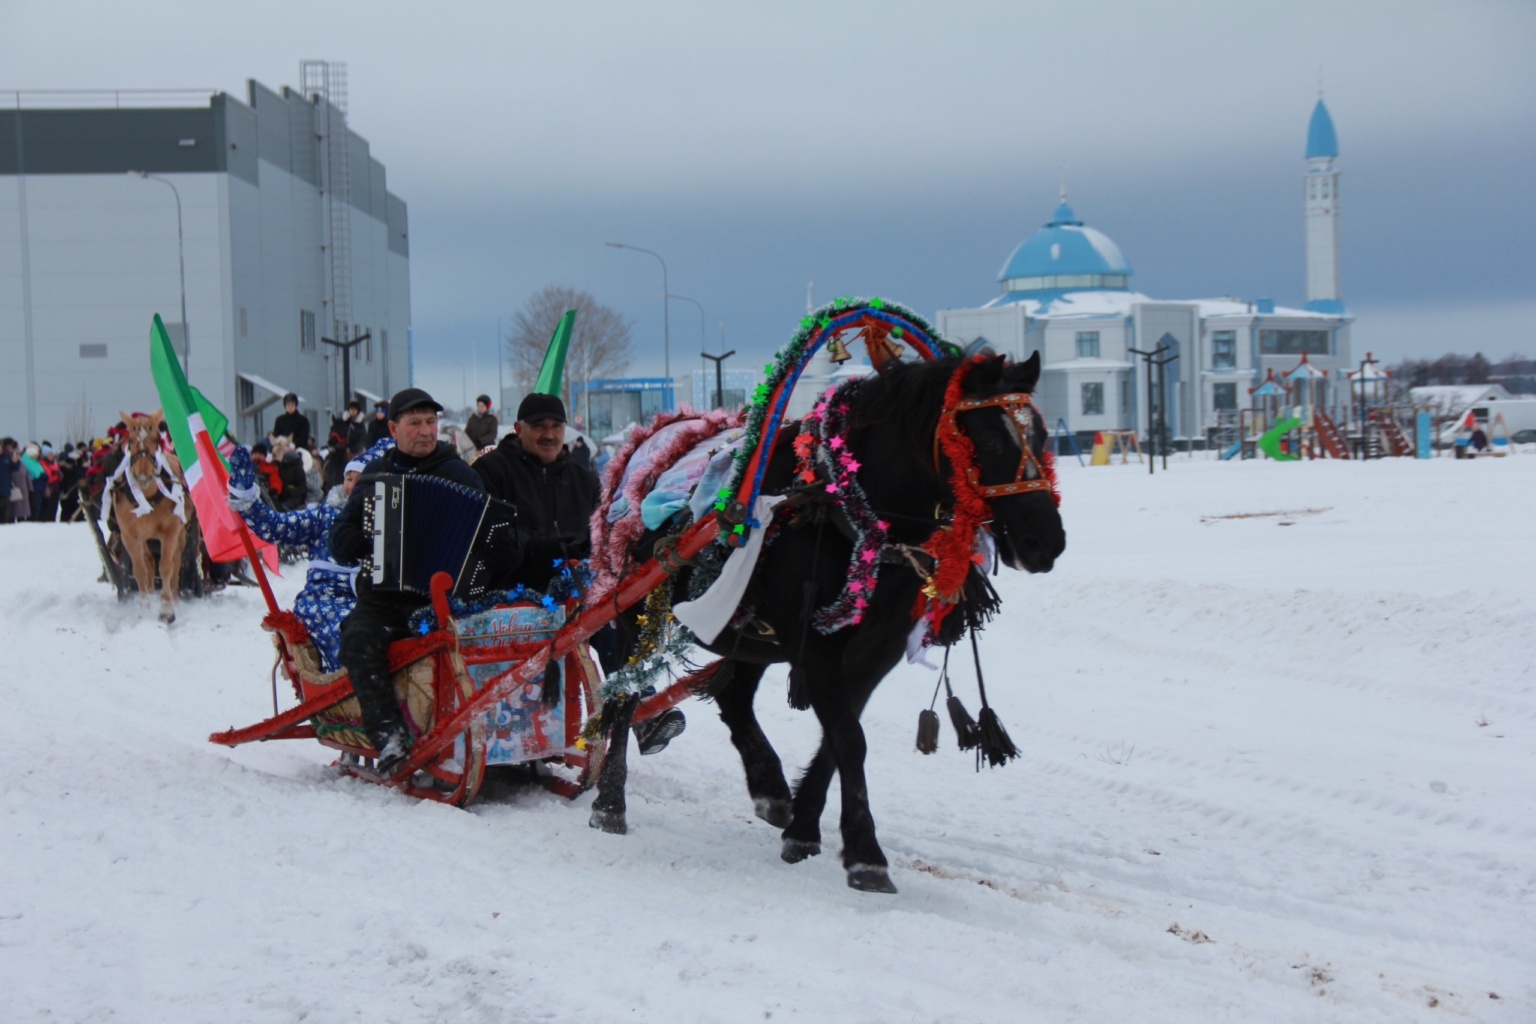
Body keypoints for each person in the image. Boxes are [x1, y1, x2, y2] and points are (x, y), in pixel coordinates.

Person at [474, 393, 685, 754]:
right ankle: (643, 709)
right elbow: (488, 537)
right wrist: (544, 548)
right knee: (596, 612)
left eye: (556, 426)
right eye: (539, 426)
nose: (549, 434)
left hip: (575, 584)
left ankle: (644, 711)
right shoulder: (493, 471)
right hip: (512, 586)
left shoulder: (582, 478)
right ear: (518, 429)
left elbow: (601, 535)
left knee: (614, 612)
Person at [329, 388, 496, 775]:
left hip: (443, 599)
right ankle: (388, 736)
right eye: (415, 423)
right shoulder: (375, 476)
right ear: (393, 428)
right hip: (384, 598)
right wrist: (355, 541)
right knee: (356, 638)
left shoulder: (460, 475)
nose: (425, 431)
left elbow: (493, 537)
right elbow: (341, 532)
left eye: (431, 422)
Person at [228, 437, 394, 671]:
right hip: (324, 601)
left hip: (370, 601)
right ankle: (349, 683)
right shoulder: (323, 516)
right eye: (348, 479)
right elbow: (276, 526)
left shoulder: (389, 520)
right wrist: (246, 498)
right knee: (353, 633)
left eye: (360, 480)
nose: (352, 486)